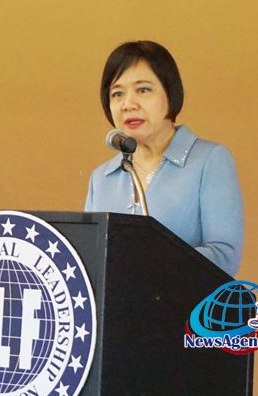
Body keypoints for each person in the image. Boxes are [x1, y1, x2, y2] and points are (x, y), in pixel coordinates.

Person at [84, 40, 243, 276]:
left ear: (171, 92)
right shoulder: (101, 179)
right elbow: (88, 259)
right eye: (117, 94)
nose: (128, 104)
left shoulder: (209, 161)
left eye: (143, 90)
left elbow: (223, 256)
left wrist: (147, 266)